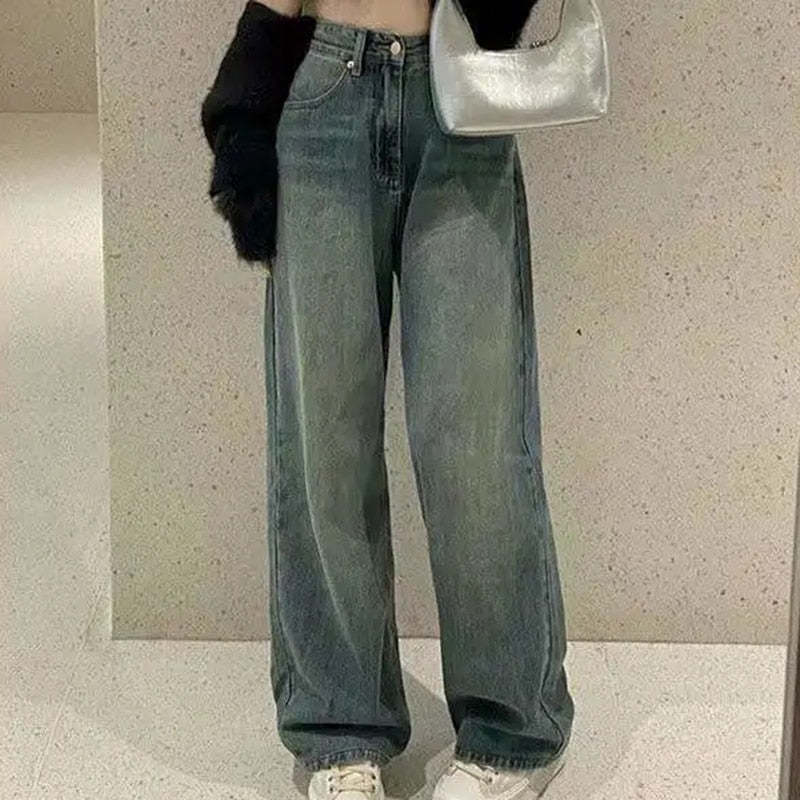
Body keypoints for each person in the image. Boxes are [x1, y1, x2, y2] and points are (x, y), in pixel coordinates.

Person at [200, 2, 575, 799]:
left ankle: (513, 731)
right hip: (320, 89)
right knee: (322, 437)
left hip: (461, 88)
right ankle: (339, 727)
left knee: (477, 439)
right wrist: (248, 110)